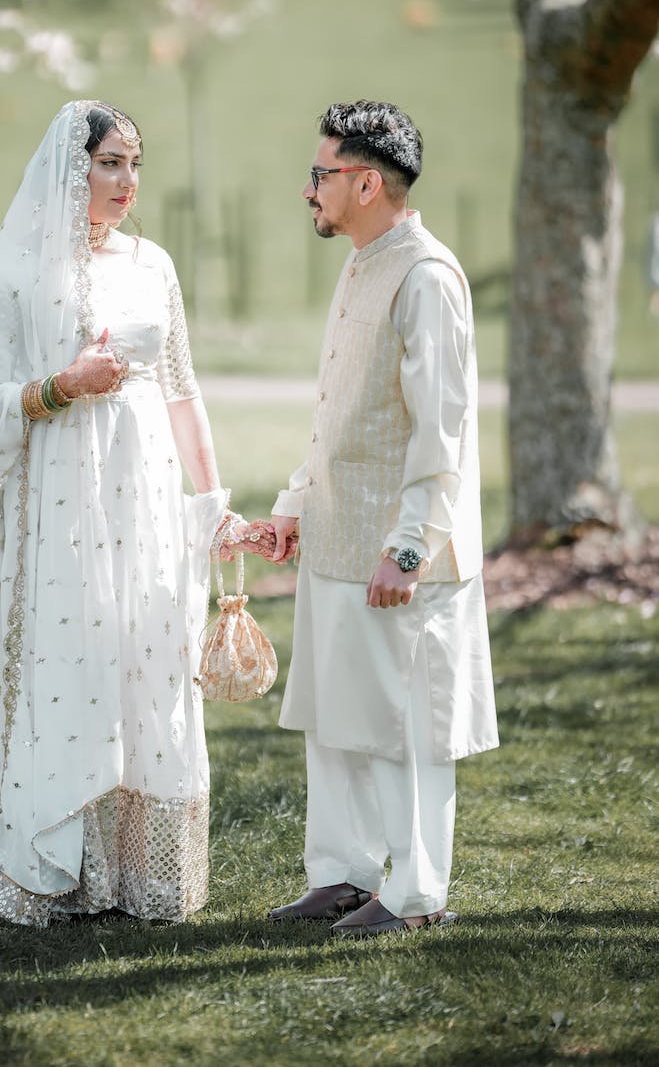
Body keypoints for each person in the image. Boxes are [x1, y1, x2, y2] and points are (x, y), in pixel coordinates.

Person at [0, 99, 271, 927]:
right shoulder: (19, 271)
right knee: (73, 655)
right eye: (109, 164)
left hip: (148, 494)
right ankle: (62, 868)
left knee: (147, 651)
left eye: (135, 165)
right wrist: (62, 386)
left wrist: (212, 506)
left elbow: (181, 391)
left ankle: (141, 877)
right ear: (72, 171)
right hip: (63, 497)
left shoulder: (152, 264)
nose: (127, 181)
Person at [267, 100, 499, 937]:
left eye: (321, 174)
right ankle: (342, 875)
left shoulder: (425, 276)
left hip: (398, 552)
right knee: (334, 718)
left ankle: (415, 894)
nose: (309, 189)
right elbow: (341, 411)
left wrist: (408, 548)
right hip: (337, 537)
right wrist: (295, 504)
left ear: (365, 184)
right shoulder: (363, 261)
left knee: (404, 726)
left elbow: (441, 428)